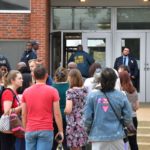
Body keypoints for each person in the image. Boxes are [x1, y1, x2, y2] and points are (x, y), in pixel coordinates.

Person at [83, 68, 133, 150]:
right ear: (115, 81)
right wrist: (127, 124)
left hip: (98, 136)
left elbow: (87, 118)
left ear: (101, 80)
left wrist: (87, 130)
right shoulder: (121, 95)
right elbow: (128, 116)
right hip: (117, 136)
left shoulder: (92, 96)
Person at [21, 65, 64, 150]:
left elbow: (23, 114)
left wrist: (25, 129)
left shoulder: (26, 92)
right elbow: (57, 113)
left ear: (33, 76)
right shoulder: (53, 91)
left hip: (30, 128)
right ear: (46, 75)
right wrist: (60, 130)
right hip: (46, 128)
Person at [64, 69, 88, 150]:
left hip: (73, 124)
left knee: (74, 147)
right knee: (80, 147)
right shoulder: (85, 90)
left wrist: (64, 111)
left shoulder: (70, 92)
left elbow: (68, 109)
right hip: (83, 122)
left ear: (71, 79)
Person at [0, 70, 23, 150]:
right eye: (19, 78)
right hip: (7, 130)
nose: (22, 80)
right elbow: (7, 111)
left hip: (12, 129)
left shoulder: (14, 92)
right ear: (12, 80)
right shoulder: (8, 93)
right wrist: (22, 107)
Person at [119, 71, 139, 150]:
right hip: (133, 118)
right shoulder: (134, 90)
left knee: (125, 141)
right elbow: (137, 107)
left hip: (125, 119)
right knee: (133, 141)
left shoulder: (121, 92)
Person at [52, 67, 69, 150]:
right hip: (68, 116)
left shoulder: (52, 87)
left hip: (54, 117)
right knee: (66, 141)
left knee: (54, 141)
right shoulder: (70, 87)